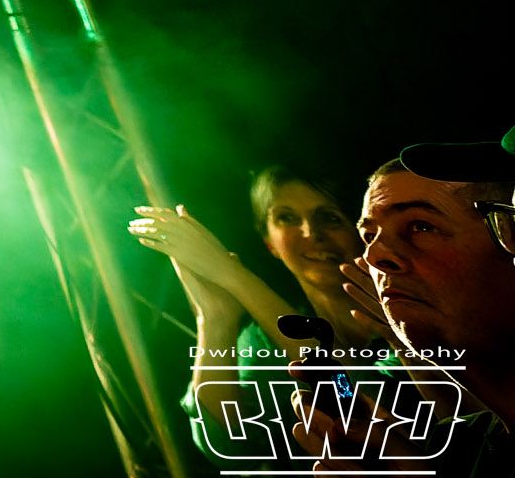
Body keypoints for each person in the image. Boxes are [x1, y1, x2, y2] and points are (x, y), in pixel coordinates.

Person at [129, 165, 389, 451]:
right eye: (287, 218)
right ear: (269, 243)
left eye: (330, 217)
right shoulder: (262, 341)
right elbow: (228, 447)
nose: (311, 233)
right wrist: (216, 318)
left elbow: (371, 401)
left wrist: (233, 276)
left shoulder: (404, 316)